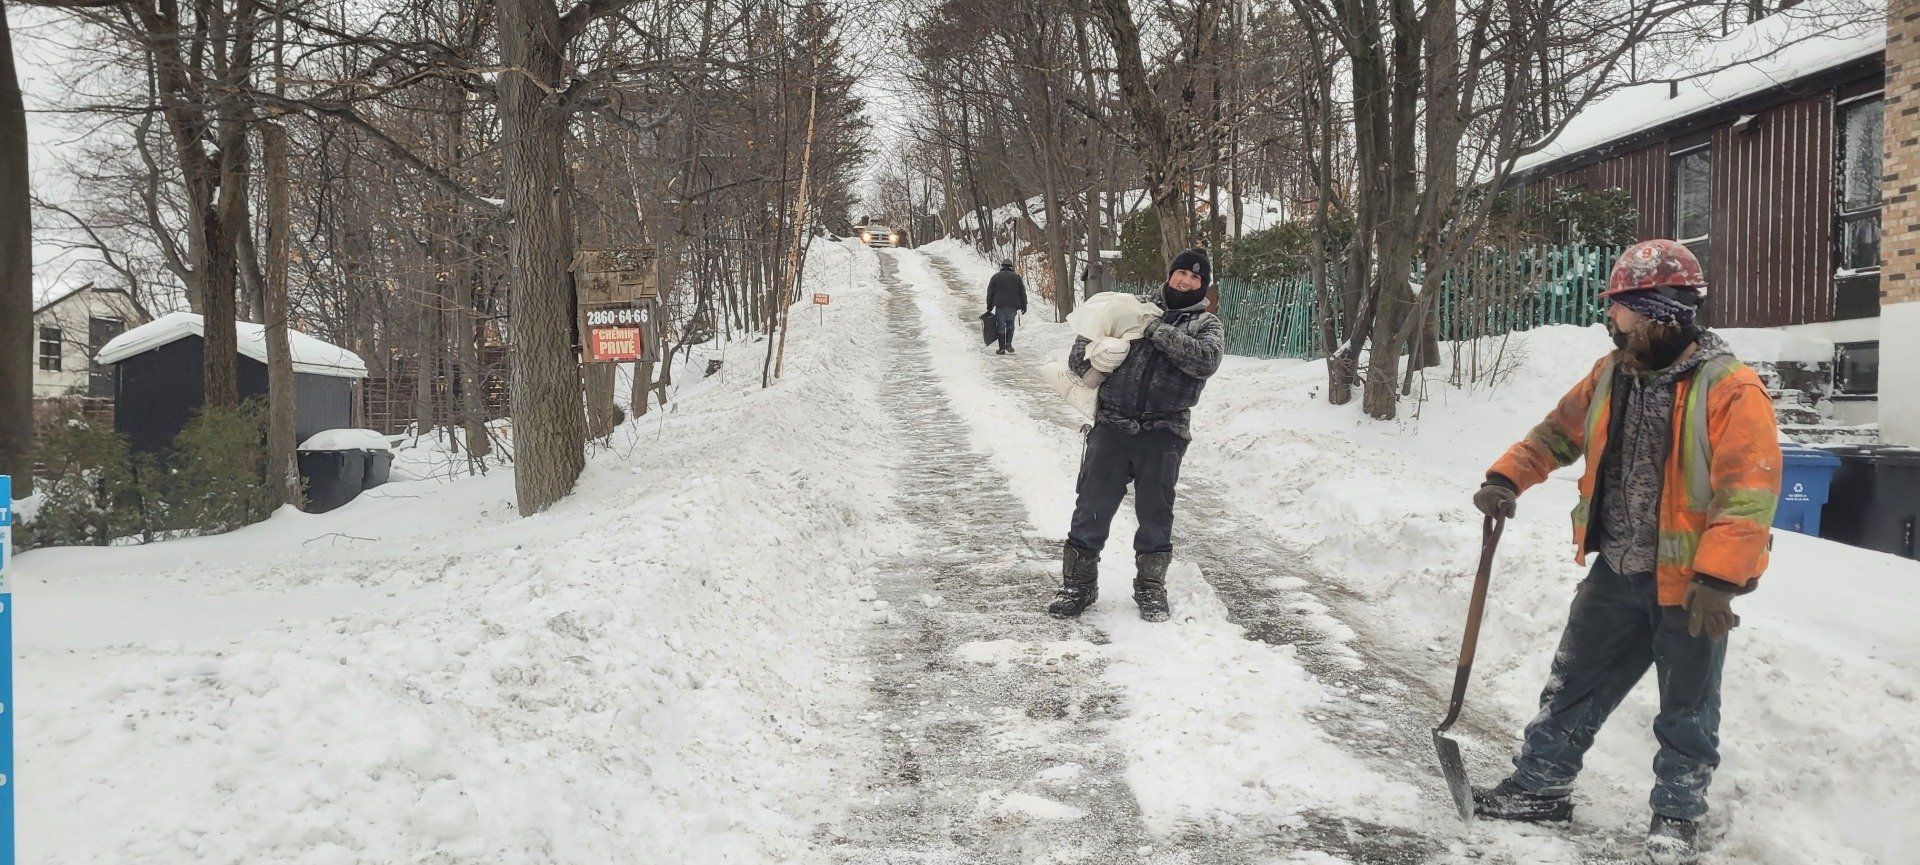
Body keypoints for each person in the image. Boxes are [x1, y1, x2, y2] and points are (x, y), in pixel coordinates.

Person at [1469, 240, 1781, 865]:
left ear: (1655, 311)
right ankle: (1541, 786)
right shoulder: (1610, 373)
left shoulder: (1730, 388)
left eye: (1620, 308)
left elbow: (1749, 490)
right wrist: (1506, 478)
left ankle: (1676, 819)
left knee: (1687, 710)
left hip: (1692, 585)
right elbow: (1557, 434)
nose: (1611, 319)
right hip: (1616, 567)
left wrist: (1720, 579)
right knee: (1573, 682)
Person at [1049, 248, 1224, 623]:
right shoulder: (1133, 307)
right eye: (1182, 274)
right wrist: (1095, 357)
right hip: (1112, 425)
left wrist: (1157, 331)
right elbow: (1082, 350)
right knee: (1091, 506)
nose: (1187, 281)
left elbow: (1205, 361)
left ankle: (1150, 588)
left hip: (1164, 431)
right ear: (1171, 274)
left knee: (1155, 513)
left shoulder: (1205, 326)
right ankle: (1078, 585)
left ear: (1203, 286)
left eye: (1196, 278)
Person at [985, 260, 1028, 354]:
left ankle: (1001, 348)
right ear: (1011, 266)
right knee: (1010, 325)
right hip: (1012, 306)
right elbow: (1022, 292)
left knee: (1000, 326)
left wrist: (989, 306)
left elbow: (990, 292)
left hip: (1000, 306)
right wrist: (1024, 305)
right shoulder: (1016, 277)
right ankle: (1008, 344)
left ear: (1002, 266)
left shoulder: (996, 277)